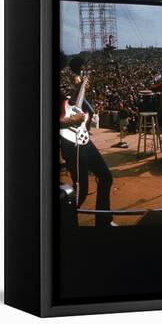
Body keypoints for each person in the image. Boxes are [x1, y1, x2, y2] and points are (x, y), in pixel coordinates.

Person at [59, 56, 116, 227]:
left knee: (106, 177)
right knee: (80, 190)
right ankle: (65, 224)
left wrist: (78, 88)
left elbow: (69, 104)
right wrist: (73, 121)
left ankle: (104, 221)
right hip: (71, 142)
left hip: (82, 137)